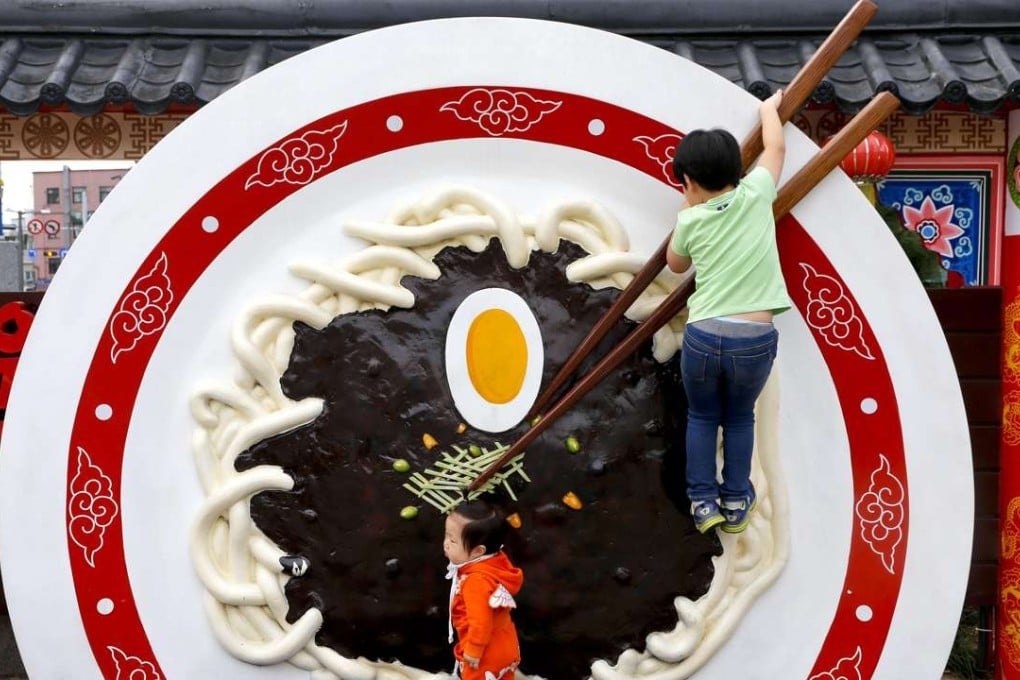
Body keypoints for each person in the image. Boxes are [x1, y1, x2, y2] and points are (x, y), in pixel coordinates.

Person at [666, 90, 791, 534]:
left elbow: (676, 265)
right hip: (753, 337)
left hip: (703, 334)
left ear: (688, 182)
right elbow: (775, 148)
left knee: (702, 417)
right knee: (739, 417)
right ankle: (736, 498)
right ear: (737, 171)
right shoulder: (756, 193)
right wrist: (768, 111)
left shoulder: (690, 220)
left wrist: (688, 209)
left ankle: (703, 501)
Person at [444, 499, 524, 679]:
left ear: (478, 551)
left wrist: (474, 649)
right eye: (446, 536)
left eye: (453, 540)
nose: (446, 544)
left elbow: (481, 620)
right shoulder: (495, 563)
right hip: (506, 644)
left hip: (484, 654)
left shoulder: (476, 581)